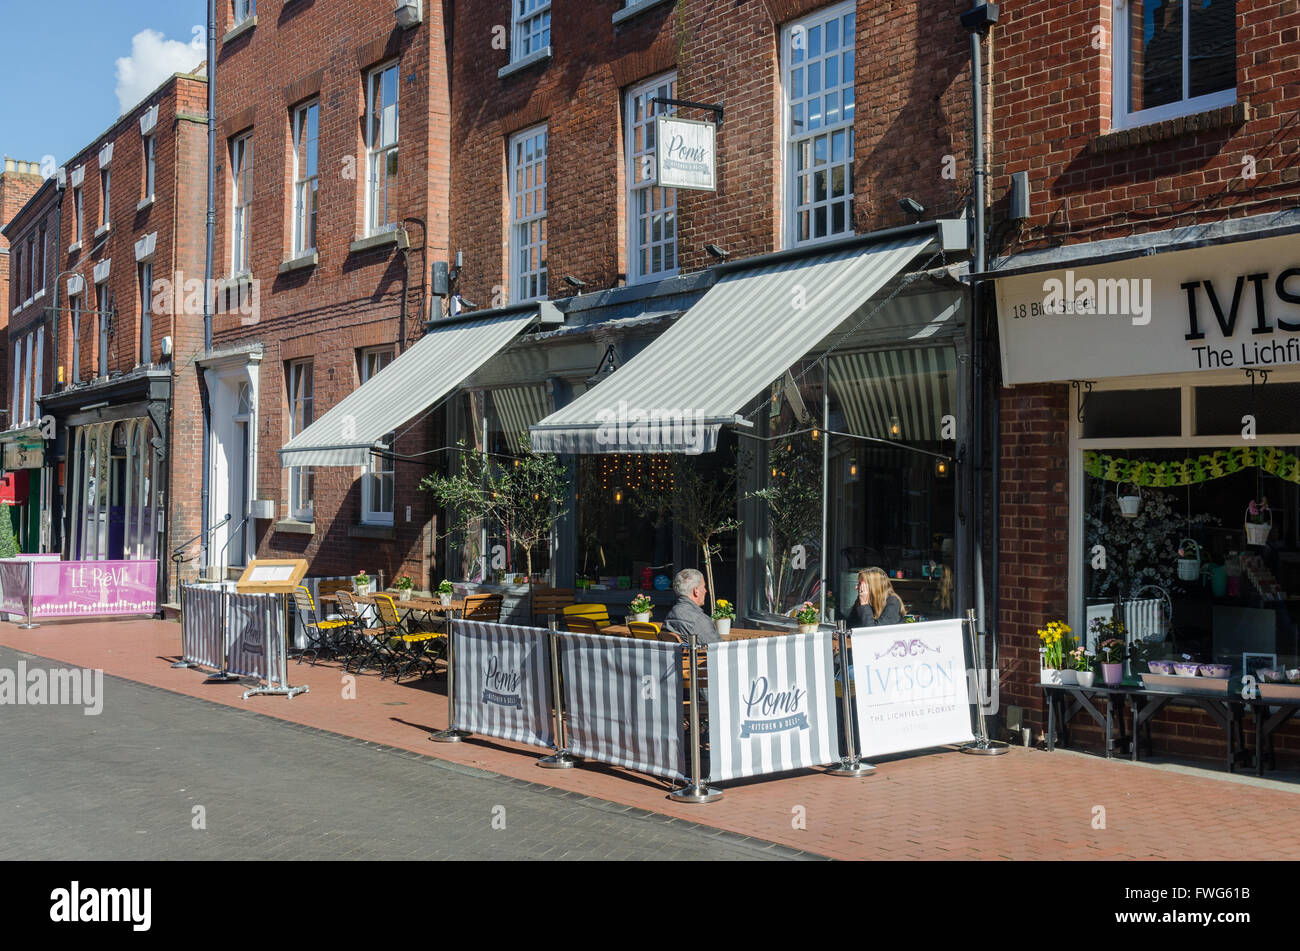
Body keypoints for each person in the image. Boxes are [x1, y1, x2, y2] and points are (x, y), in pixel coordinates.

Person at [662, 568, 720, 645]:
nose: (706, 591)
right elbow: (719, 650)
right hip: (696, 657)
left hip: (676, 656)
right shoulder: (699, 620)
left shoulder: (671, 614)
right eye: (704, 587)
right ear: (696, 591)